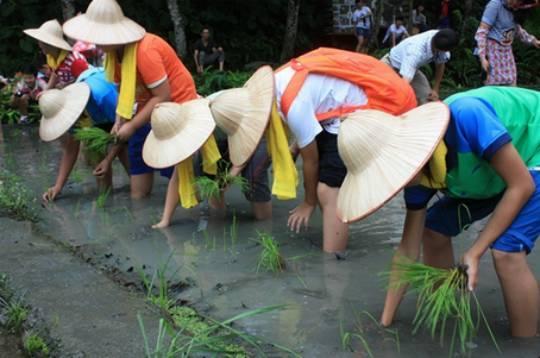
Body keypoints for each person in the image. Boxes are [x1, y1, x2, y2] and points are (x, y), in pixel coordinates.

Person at [335, 86, 540, 337]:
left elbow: (522, 185)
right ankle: (446, 311)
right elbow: (407, 251)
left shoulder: (467, 116)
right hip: (491, 171)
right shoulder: (414, 178)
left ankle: (525, 343)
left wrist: (475, 252)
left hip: (532, 153)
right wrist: (385, 323)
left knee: (506, 252)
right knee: (432, 229)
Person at [274, 48, 417, 253]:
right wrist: (297, 146)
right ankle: (335, 234)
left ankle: (333, 263)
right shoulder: (279, 78)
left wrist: (308, 202)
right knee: (328, 183)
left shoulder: (293, 106)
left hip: (365, 108)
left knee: (327, 190)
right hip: (338, 109)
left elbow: (310, 161)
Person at [63, 0, 198, 199]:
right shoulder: (112, 56)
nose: (96, 42)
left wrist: (132, 125)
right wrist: (119, 121)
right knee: (138, 194)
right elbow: (125, 96)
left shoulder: (145, 51)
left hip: (175, 108)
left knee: (178, 182)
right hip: (146, 110)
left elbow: (163, 96)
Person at [152, 67, 279, 228]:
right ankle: (219, 223)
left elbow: (247, 142)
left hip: (254, 127)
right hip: (223, 136)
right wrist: (165, 220)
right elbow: (177, 177)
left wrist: (231, 176)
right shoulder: (187, 131)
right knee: (210, 181)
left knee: (253, 177)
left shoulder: (214, 116)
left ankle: (266, 226)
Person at [40, 63, 129, 202]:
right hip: (98, 116)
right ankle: (107, 197)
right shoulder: (70, 114)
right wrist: (58, 186)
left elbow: (126, 128)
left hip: (119, 111)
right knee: (96, 154)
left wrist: (109, 159)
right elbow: (71, 149)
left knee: (129, 160)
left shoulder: (103, 96)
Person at [381, 29, 458, 104]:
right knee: (381, 95)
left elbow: (440, 65)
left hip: (411, 69)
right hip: (389, 65)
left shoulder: (442, 38)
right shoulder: (415, 50)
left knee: (428, 98)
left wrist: (435, 89)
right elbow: (405, 83)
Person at [475, 0, 540, 86]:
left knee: (512, 83)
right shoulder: (495, 5)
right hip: (492, 50)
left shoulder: (514, 9)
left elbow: (517, 30)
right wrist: (483, 58)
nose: (517, 5)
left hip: (507, 50)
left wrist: (534, 41)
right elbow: (482, 31)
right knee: (493, 86)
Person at [23, 19, 87, 89]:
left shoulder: (75, 61)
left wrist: (66, 86)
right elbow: (55, 73)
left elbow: (85, 81)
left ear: (50, 43)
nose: (39, 45)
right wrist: (46, 90)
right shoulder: (51, 57)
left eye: (41, 41)